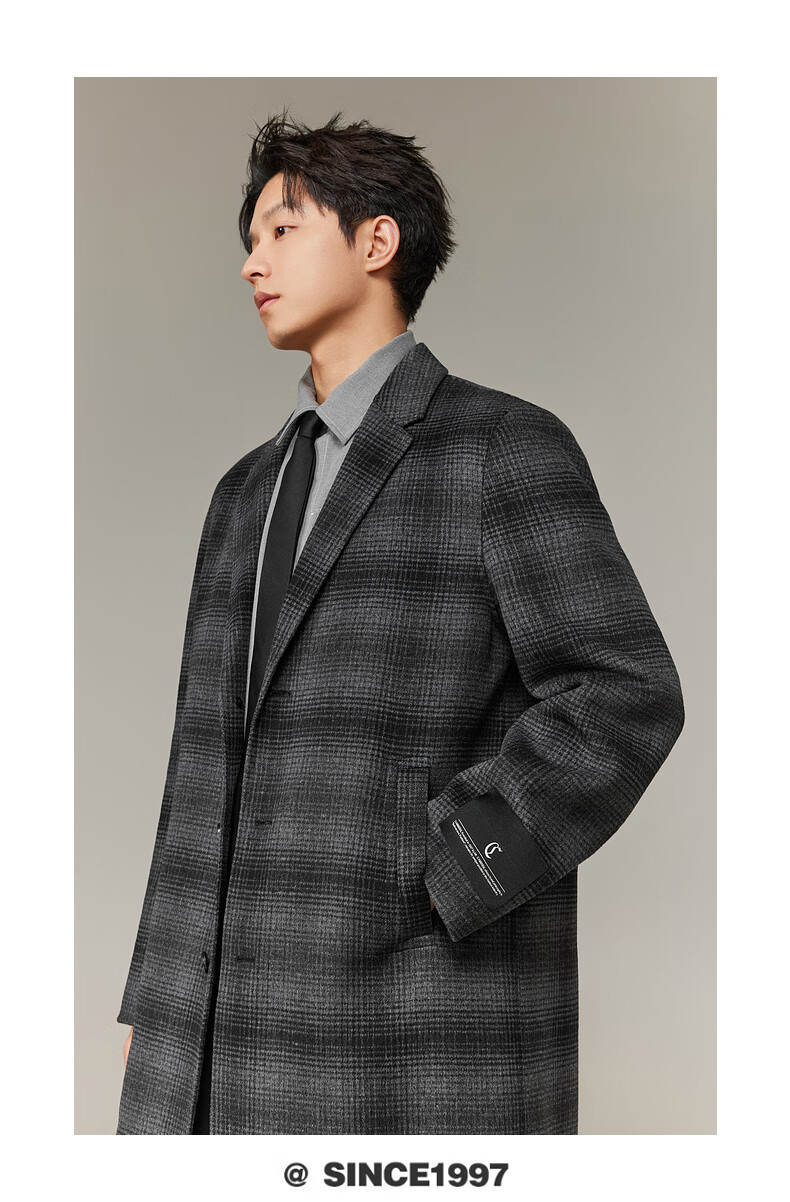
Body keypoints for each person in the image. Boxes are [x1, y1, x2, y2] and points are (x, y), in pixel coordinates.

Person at [116, 109, 685, 1135]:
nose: (251, 262)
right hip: (210, 1034)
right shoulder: (242, 494)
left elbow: (622, 693)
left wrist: (452, 869)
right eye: (249, 239)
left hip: (409, 1024)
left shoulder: (501, 448)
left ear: (376, 240)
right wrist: (155, 995)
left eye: (281, 230)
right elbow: (199, 771)